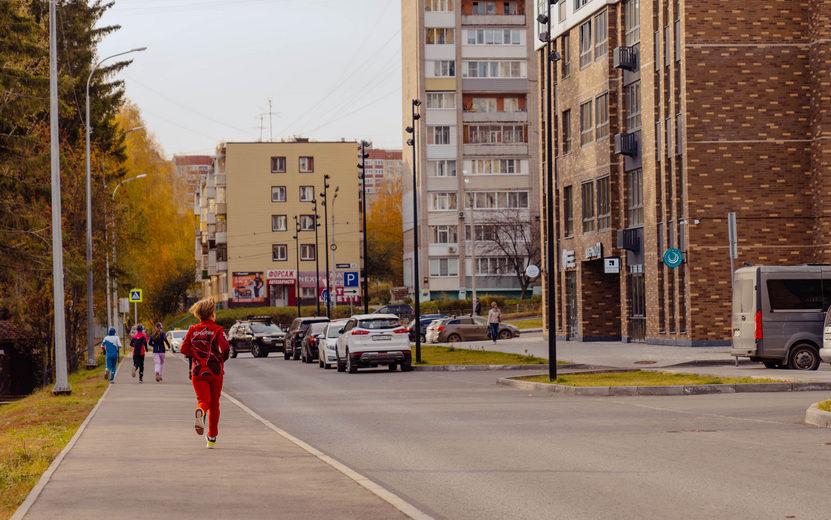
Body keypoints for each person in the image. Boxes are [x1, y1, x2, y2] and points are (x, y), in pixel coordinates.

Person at [179, 297, 230, 449]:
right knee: (215, 404)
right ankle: (211, 438)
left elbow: (183, 349)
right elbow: (226, 348)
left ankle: (200, 410)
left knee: (204, 401)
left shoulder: (192, 330)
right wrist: (221, 359)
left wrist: (196, 355)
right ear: (212, 314)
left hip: (197, 372)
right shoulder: (218, 330)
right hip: (215, 371)